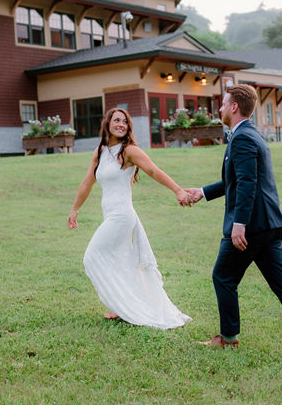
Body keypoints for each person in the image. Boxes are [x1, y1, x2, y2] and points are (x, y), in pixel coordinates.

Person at [184, 84, 282, 354]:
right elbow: (234, 180)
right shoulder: (249, 133)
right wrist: (202, 192)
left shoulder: (242, 138)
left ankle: (228, 338)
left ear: (234, 107)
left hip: (252, 226)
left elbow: (247, 183)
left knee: (223, 276)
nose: (220, 108)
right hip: (269, 224)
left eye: (223, 103)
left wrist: (239, 224)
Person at [68, 108, 192, 329]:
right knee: (120, 262)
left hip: (121, 216)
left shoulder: (129, 151)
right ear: (107, 123)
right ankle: (120, 306)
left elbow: (154, 171)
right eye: (116, 120)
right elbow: (88, 182)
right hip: (110, 215)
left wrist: (178, 190)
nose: (121, 125)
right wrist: (75, 209)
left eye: (125, 122)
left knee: (91, 256)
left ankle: (123, 306)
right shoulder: (100, 151)